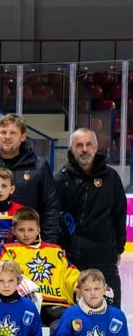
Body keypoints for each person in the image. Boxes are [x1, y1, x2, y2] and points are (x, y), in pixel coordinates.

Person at [0, 113, 60, 244]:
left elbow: (50, 208)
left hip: (27, 245)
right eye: (3, 132)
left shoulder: (39, 166)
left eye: (13, 133)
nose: (7, 137)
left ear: (23, 136)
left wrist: (48, 244)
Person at [56, 128, 127, 305]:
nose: (84, 149)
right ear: (72, 149)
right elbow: (54, 216)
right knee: (74, 313)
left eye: (89, 144)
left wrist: (118, 248)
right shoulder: (61, 178)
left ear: (96, 147)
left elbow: (119, 215)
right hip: (72, 259)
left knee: (111, 312)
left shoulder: (111, 177)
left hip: (104, 258)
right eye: (79, 145)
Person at [0, 208, 79, 328]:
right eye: (21, 230)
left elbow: (71, 275)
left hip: (56, 303)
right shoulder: (8, 250)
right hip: (23, 304)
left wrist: (79, 288)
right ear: (13, 230)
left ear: (38, 230)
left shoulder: (54, 250)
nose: (26, 234)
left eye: (31, 230)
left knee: (68, 322)